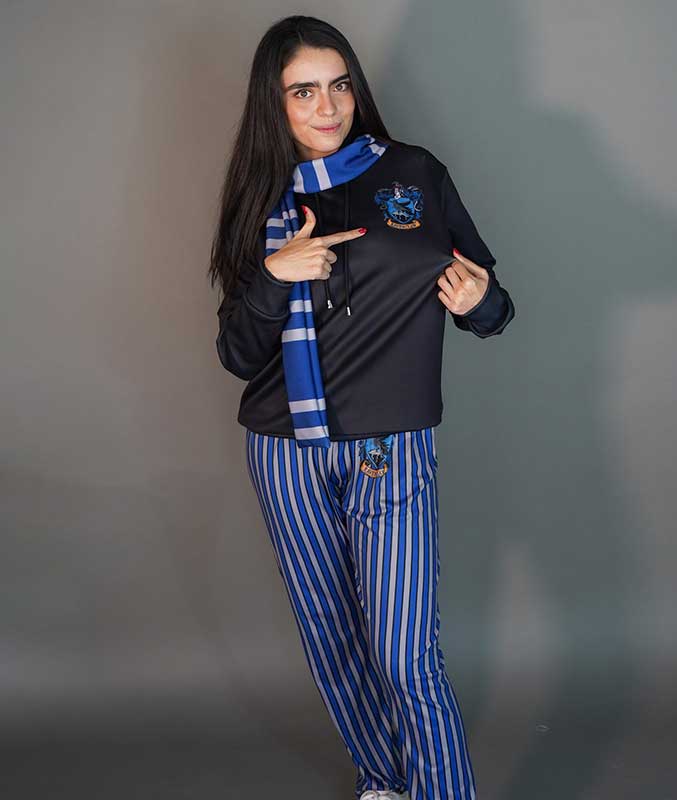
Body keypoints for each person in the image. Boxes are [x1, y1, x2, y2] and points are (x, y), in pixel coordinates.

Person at [208, 14, 515, 800]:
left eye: (339, 85)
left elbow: (490, 303)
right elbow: (237, 353)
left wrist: (480, 302)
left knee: (407, 652)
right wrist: (276, 275)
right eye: (303, 91)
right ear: (273, 104)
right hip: (284, 449)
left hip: (391, 445)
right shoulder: (257, 198)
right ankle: (383, 779)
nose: (328, 106)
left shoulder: (413, 173)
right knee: (333, 638)